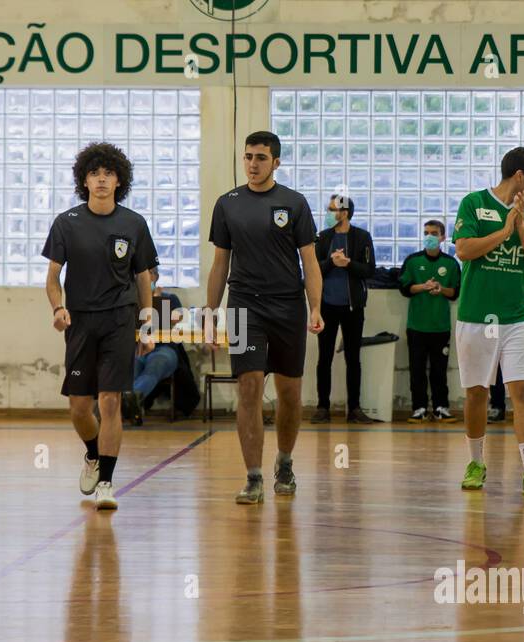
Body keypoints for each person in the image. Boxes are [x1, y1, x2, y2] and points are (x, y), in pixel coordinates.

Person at [205, 131, 323, 504]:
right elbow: (220, 262)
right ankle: (253, 477)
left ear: (276, 162)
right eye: (248, 157)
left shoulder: (294, 202)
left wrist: (315, 307)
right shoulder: (228, 204)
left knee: (289, 393)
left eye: (260, 157)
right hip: (243, 306)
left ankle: (284, 463)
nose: (252, 164)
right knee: (250, 386)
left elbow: (310, 261)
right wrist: (210, 313)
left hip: (288, 306)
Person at [44, 142, 157, 510]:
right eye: (95, 173)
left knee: (110, 401)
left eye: (109, 173)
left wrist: (147, 323)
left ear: (119, 180)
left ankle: (106, 482)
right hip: (80, 321)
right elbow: (52, 277)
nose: (102, 179)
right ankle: (93, 453)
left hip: (120, 320)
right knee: (80, 407)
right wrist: (58, 308)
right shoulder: (66, 222)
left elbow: (143, 279)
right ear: (85, 180)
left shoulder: (133, 224)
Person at [452, 147, 524, 496]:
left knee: (522, 390)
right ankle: (476, 463)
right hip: (477, 316)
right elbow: (464, 250)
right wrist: (504, 229)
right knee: (477, 392)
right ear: (520, 176)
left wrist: (521, 224)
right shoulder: (474, 203)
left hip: (518, 316)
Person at [311, 193, 376, 424]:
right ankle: (322, 407)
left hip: (352, 307)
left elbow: (370, 270)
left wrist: (348, 264)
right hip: (326, 306)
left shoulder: (361, 237)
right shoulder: (322, 237)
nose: (328, 214)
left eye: (332, 210)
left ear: (345, 213)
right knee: (324, 358)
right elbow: (312, 270)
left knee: (353, 358)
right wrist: (331, 262)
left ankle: (354, 409)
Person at [399, 219, 461, 423]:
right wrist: (423, 287)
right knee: (417, 370)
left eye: (434, 233)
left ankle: (441, 407)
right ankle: (419, 408)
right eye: (426, 232)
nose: (430, 236)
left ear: (443, 237)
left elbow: (454, 293)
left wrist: (440, 289)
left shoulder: (451, 264)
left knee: (439, 371)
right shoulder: (412, 261)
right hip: (416, 326)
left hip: (440, 327)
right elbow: (405, 289)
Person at [127, 266, 182, 423]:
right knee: (133, 367)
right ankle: (131, 407)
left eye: (148, 273)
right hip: (140, 347)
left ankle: (124, 401)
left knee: (155, 365)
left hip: (164, 348)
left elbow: (178, 319)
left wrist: (156, 299)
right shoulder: (133, 300)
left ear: (155, 276)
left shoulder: (171, 298)